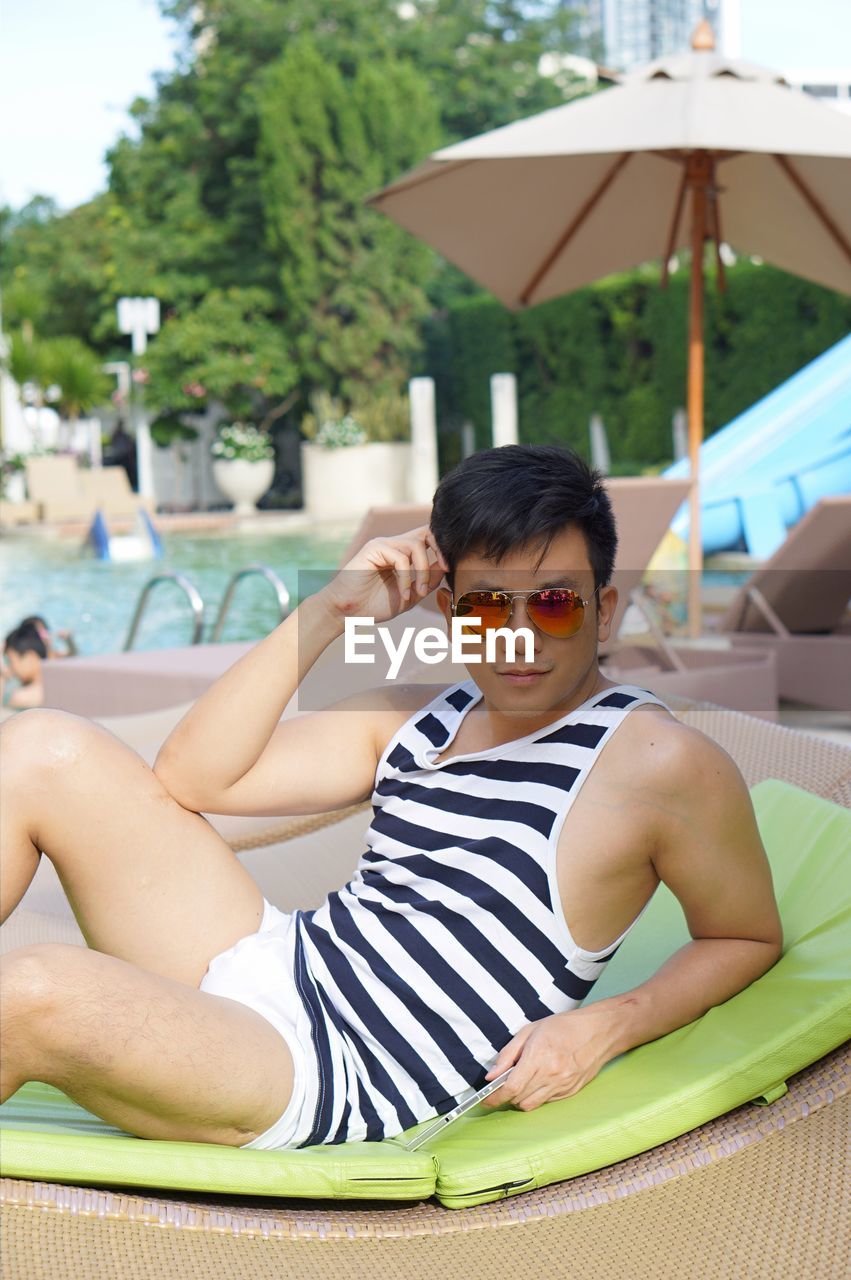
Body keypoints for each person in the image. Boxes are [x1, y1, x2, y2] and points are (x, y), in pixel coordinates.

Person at [0, 445, 783, 1149]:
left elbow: (744, 935)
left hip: (330, 1074)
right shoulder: (415, 716)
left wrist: (605, 1027)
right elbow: (196, 778)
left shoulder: (657, 763)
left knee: (30, 992)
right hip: (277, 960)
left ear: (603, 611)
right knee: (41, 746)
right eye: (485, 605)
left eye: (553, 602)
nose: (519, 637)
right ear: (448, 613)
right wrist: (328, 611)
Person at [1, 622, 47, 710]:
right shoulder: (56, 685)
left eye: (10, 661)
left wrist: (2, 677)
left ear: (30, 658)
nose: (11, 668)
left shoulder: (21, 697)